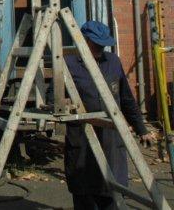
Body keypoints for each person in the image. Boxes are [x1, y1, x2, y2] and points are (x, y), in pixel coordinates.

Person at [64, 20, 156, 210]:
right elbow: (52, 98)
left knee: (112, 196)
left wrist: (141, 129)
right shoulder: (68, 64)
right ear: (84, 40)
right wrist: (63, 103)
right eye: (96, 43)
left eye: (103, 44)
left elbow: (127, 99)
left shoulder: (113, 61)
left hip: (111, 141)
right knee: (85, 196)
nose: (100, 47)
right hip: (83, 141)